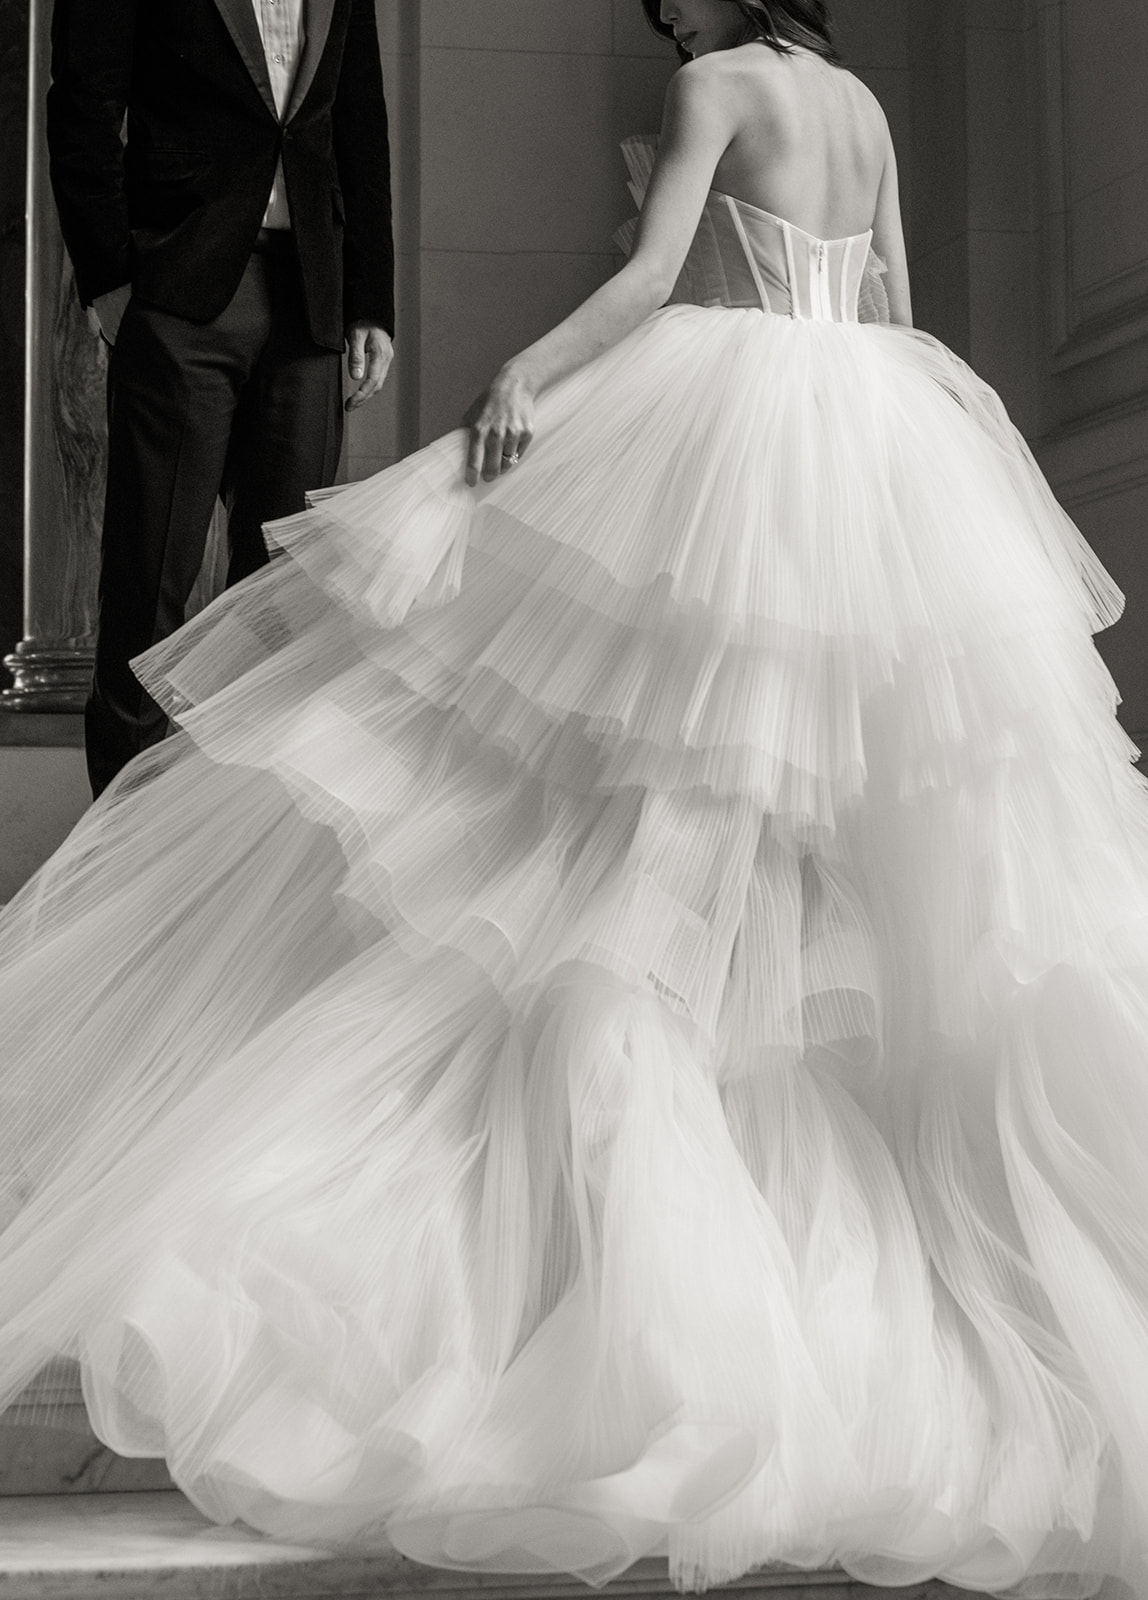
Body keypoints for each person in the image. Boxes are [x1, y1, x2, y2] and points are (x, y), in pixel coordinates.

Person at [2, 0, 1147, 1594]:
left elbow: (645, 282)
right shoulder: (866, 104)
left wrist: (519, 380)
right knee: (816, 836)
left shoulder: (715, 85)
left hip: (733, 439)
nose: (656, 7)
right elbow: (893, 300)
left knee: (628, 805)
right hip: (874, 440)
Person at [46, 0, 396, 796]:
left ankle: (238, 845)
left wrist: (371, 301)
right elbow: (82, 108)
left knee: (283, 587)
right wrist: (109, 280)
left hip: (310, 297)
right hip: (180, 292)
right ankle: (124, 856)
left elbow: (360, 118)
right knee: (149, 585)